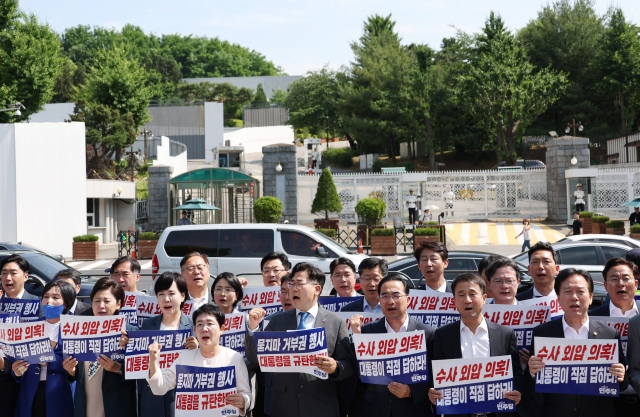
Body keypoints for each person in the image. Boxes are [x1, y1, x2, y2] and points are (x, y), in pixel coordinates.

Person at [245, 262, 355, 417]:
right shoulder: (276, 321)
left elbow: (349, 365)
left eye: (299, 283)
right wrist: (253, 328)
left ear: (317, 289)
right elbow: (254, 358)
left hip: (320, 406)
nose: (293, 289)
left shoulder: (335, 322)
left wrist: (335, 367)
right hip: (282, 405)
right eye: (291, 284)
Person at [527, 269, 627, 417]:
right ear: (559, 298)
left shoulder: (609, 334)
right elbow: (529, 384)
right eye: (567, 291)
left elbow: (622, 385)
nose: (574, 297)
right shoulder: (542, 333)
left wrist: (621, 375)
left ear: (591, 297)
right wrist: (531, 371)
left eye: (580, 291)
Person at [428, 273, 522, 415]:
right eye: (461, 295)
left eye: (473, 294)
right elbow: (434, 375)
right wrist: (432, 392)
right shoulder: (442, 335)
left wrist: (517, 392)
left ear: (484, 299)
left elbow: (516, 374)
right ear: (454, 300)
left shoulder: (504, 334)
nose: (467, 300)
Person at [348, 273, 435, 417]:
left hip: (413, 409)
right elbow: (358, 372)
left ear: (408, 300)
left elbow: (434, 375)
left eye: (396, 295)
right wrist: (357, 337)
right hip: (377, 409)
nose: (390, 301)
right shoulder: (368, 331)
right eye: (385, 296)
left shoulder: (427, 333)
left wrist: (411, 391)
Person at [147, 304, 251, 415]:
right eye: (200, 325)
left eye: (210, 324)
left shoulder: (235, 358)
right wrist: (153, 361)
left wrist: (243, 401)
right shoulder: (184, 358)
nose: (204, 329)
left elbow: (246, 394)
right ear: (195, 330)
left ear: (222, 329)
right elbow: (159, 388)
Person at [63, 277, 138, 417]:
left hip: (117, 408)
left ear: (119, 304)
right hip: (86, 408)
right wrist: (71, 371)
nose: (101, 305)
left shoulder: (130, 332)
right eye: (97, 301)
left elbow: (142, 372)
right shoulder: (79, 329)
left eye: (107, 301)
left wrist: (119, 369)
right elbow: (76, 374)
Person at [11, 280, 76, 417]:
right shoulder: (30, 327)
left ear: (66, 303)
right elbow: (16, 360)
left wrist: (50, 357)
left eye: (55, 297)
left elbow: (78, 364)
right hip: (30, 392)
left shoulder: (74, 327)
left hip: (59, 392)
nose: (49, 301)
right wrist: (17, 372)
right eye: (46, 297)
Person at [590, 258, 640, 415]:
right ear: (605, 286)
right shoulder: (590, 319)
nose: (621, 283)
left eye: (626, 278)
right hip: (606, 402)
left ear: (636, 284)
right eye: (614, 279)